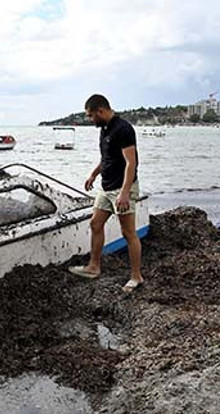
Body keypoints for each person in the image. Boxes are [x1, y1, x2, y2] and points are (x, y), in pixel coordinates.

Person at [68, 94, 144, 293]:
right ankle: (94, 267)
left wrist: (125, 193)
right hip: (107, 187)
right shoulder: (105, 129)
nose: (90, 119)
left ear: (101, 111)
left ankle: (136, 277)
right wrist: (93, 175)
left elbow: (131, 163)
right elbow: (107, 158)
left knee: (128, 233)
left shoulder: (124, 129)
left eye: (91, 115)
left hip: (122, 189)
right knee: (95, 223)